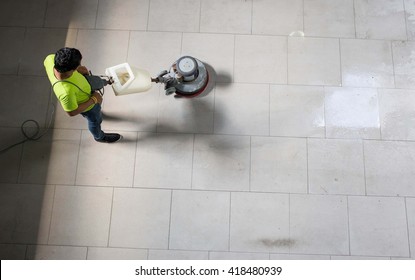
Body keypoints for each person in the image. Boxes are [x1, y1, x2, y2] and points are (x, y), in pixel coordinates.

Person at [44, 48, 121, 143]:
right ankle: (99, 137)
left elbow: (50, 61)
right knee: (95, 121)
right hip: (88, 106)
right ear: (70, 70)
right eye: (78, 65)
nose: (80, 66)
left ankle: (99, 113)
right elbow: (71, 112)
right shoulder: (66, 92)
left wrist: (79, 69)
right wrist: (93, 99)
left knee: (98, 113)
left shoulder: (51, 59)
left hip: (85, 89)